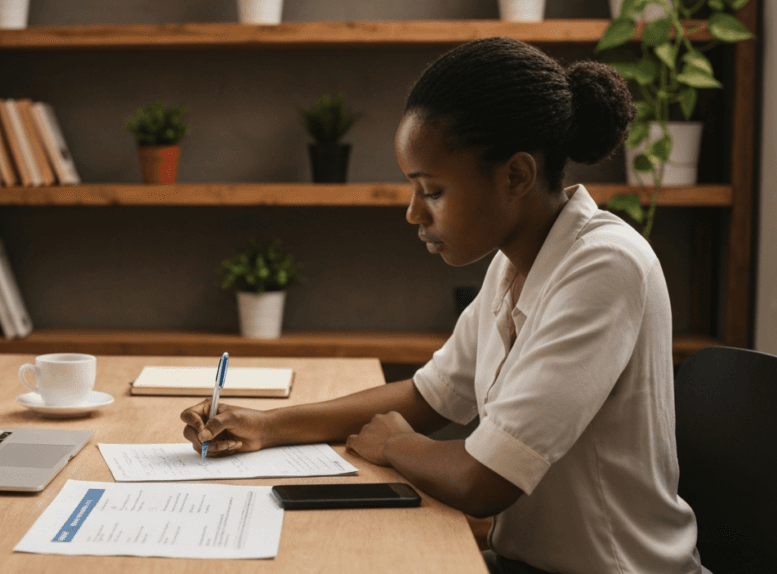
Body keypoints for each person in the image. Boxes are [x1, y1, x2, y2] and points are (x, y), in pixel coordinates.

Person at [181, 37, 704, 574]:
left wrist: (396, 447)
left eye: (431, 191)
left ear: (517, 176)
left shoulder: (605, 267)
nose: (413, 213)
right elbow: (430, 396)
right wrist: (265, 426)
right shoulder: (515, 262)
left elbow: (482, 482)